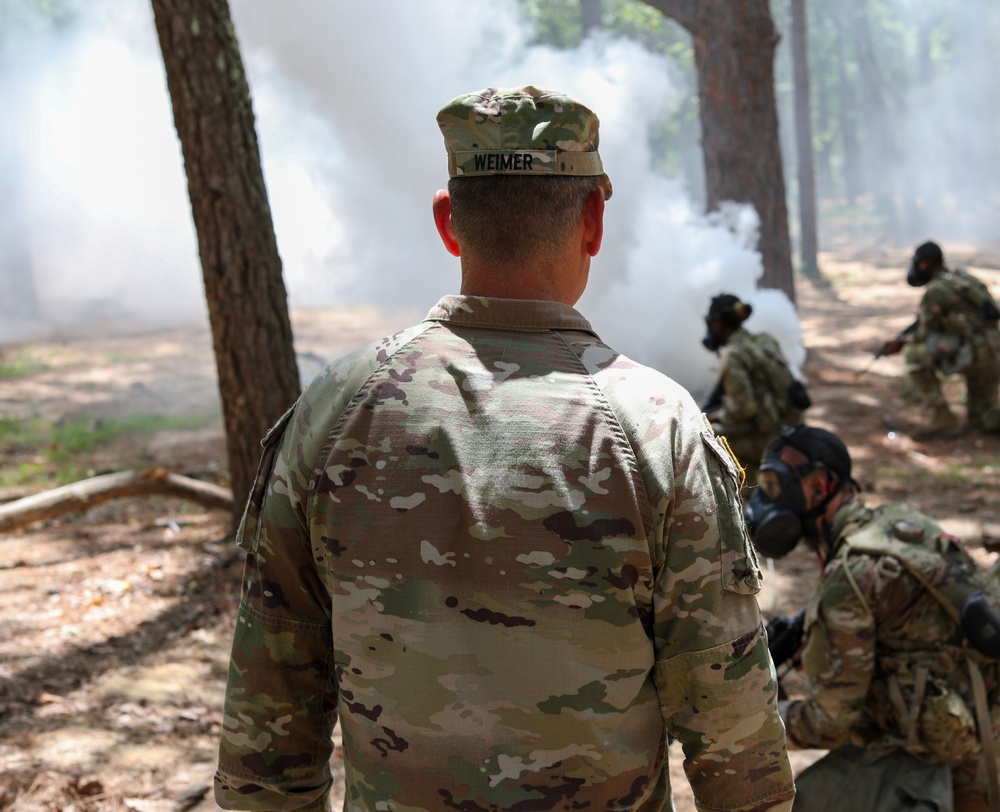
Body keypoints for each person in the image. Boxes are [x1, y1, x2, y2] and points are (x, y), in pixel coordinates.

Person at [213, 86, 794, 812]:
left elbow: (266, 735)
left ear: (447, 221)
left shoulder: (333, 409)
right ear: (593, 221)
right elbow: (733, 735)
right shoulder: (658, 427)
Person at [747, 424, 1000, 812]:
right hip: (980, 717)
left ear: (819, 486)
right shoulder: (895, 524)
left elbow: (829, 724)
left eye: (775, 485)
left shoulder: (849, 576)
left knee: (814, 801)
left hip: (966, 763)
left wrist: (750, 725)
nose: (767, 500)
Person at [880, 241, 1000, 437]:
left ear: (925, 265)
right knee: (983, 418)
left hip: (976, 354)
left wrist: (901, 344)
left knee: (915, 357)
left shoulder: (936, 291)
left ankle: (943, 417)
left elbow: (924, 334)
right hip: (993, 352)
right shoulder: (963, 278)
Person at [701, 293, 810, 488]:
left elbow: (745, 408)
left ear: (718, 324)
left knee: (707, 437)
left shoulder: (733, 354)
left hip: (769, 440)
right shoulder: (764, 340)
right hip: (792, 429)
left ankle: (746, 492)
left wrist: (718, 416)